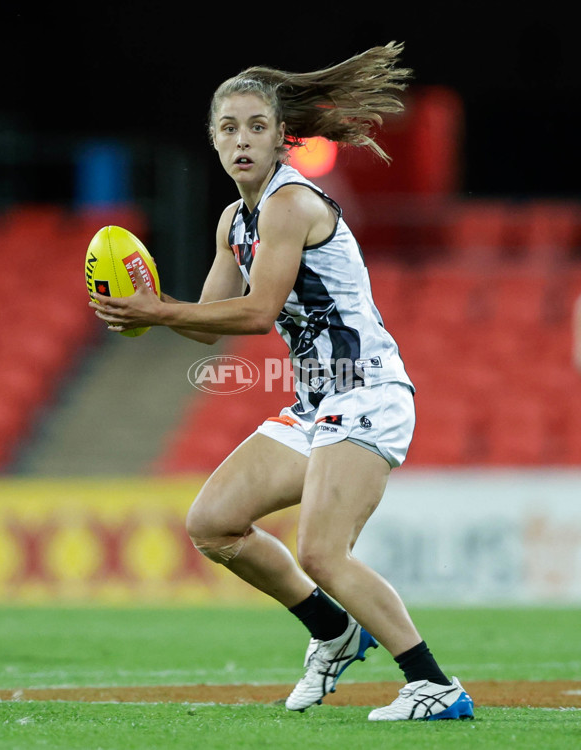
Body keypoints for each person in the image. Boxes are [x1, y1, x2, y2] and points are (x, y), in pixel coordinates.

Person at [90, 42, 474, 722]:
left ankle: (432, 682)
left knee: (322, 552)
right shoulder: (233, 222)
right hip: (318, 403)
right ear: (212, 140)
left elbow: (258, 311)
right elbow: (210, 326)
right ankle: (332, 631)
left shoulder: (290, 203)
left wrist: (159, 309)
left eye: (256, 127)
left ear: (280, 138)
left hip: (367, 392)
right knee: (213, 524)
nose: (242, 140)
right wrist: (145, 311)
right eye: (229, 128)